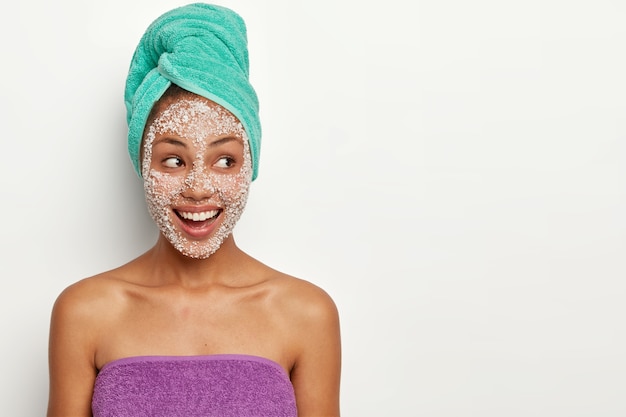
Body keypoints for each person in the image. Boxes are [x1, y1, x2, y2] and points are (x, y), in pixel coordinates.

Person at [46, 3, 341, 417]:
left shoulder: (306, 313)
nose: (199, 188)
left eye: (225, 161)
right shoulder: (85, 312)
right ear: (142, 163)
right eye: (173, 160)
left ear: (251, 164)